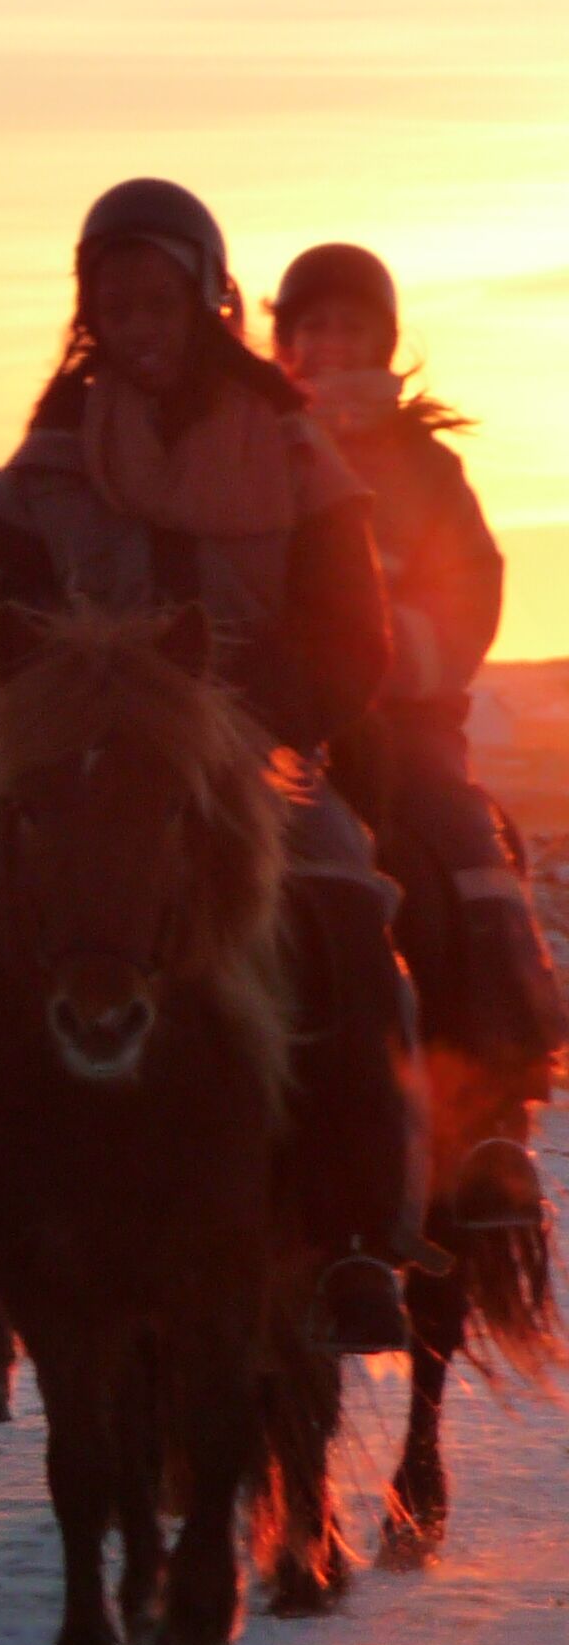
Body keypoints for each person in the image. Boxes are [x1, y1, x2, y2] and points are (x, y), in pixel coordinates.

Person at [0, 179, 421, 1352]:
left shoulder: (292, 448)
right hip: (72, 759)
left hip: (252, 758)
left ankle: (357, 1226)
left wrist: (257, 720)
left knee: (351, 909)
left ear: (205, 299)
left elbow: (357, 637)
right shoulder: (49, 452)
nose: (139, 322)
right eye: (115, 301)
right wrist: (32, 705)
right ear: (89, 309)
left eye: (160, 299)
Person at [276, 240, 560, 1224]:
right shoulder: (262, 448)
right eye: (309, 327)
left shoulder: (430, 469)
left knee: (474, 863)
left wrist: (403, 648)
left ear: (383, 342)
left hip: (407, 725)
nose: (328, 343)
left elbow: (474, 582)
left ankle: (491, 1125)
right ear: (285, 344)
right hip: (294, 726)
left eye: (348, 326)